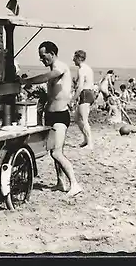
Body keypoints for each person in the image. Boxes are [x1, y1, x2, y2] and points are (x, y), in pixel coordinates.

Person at [20, 41, 82, 197]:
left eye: (43, 56)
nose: (41, 60)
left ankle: (74, 184)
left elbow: (46, 76)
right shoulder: (53, 68)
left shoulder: (60, 67)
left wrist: (27, 81)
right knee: (53, 152)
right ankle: (60, 182)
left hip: (60, 115)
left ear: (52, 54)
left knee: (57, 153)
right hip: (50, 115)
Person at [70, 50, 94, 149]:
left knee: (84, 120)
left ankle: (90, 143)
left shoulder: (81, 69)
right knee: (77, 118)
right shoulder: (88, 68)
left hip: (85, 93)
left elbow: (80, 87)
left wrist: (72, 99)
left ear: (79, 58)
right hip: (89, 93)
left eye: (74, 58)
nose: (73, 60)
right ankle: (86, 140)